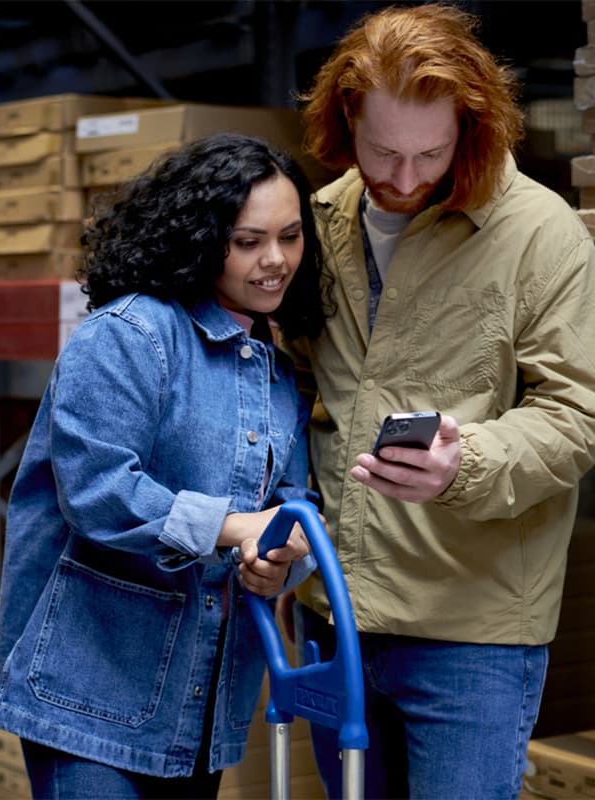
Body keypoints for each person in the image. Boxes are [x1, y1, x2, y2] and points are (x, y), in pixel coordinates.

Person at [279, 4, 595, 799]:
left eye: (433, 152)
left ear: (471, 124)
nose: (408, 177)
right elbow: (301, 393)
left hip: (470, 637)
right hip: (336, 617)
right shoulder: (320, 223)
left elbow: (578, 413)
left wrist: (470, 461)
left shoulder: (540, 234)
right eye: (383, 151)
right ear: (345, 115)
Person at [0, 132, 335, 799]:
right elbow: (99, 493)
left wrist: (281, 560)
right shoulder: (127, 337)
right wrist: (235, 529)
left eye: (290, 237)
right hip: (88, 696)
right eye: (248, 241)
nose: (276, 260)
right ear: (201, 241)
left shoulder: (277, 370)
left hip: (199, 709)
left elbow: (287, 507)